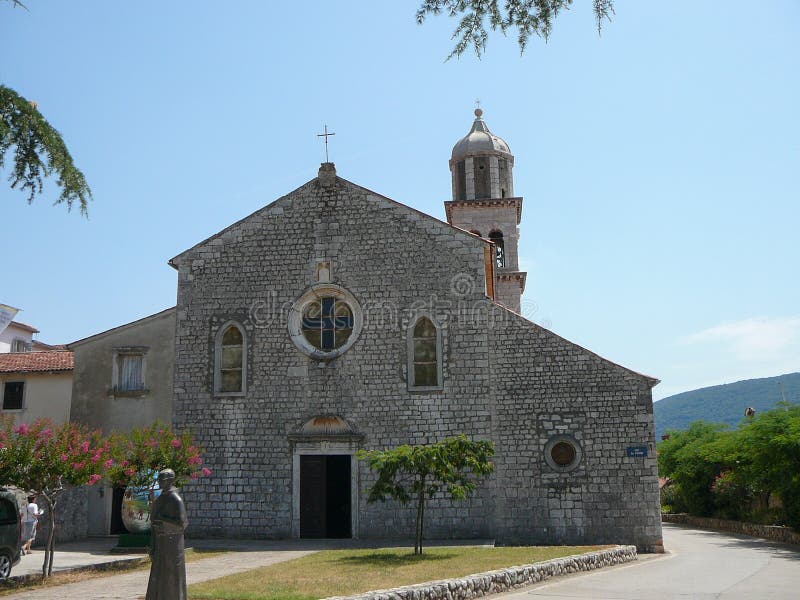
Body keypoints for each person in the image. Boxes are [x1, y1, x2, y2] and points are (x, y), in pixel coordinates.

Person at [145, 469, 188, 600]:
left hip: (172, 544)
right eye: (159, 479)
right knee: (159, 575)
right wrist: (152, 546)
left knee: (172, 574)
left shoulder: (175, 498)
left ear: (170, 480)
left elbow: (182, 523)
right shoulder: (159, 499)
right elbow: (153, 522)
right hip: (160, 542)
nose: (159, 482)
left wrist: (163, 520)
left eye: (162, 480)